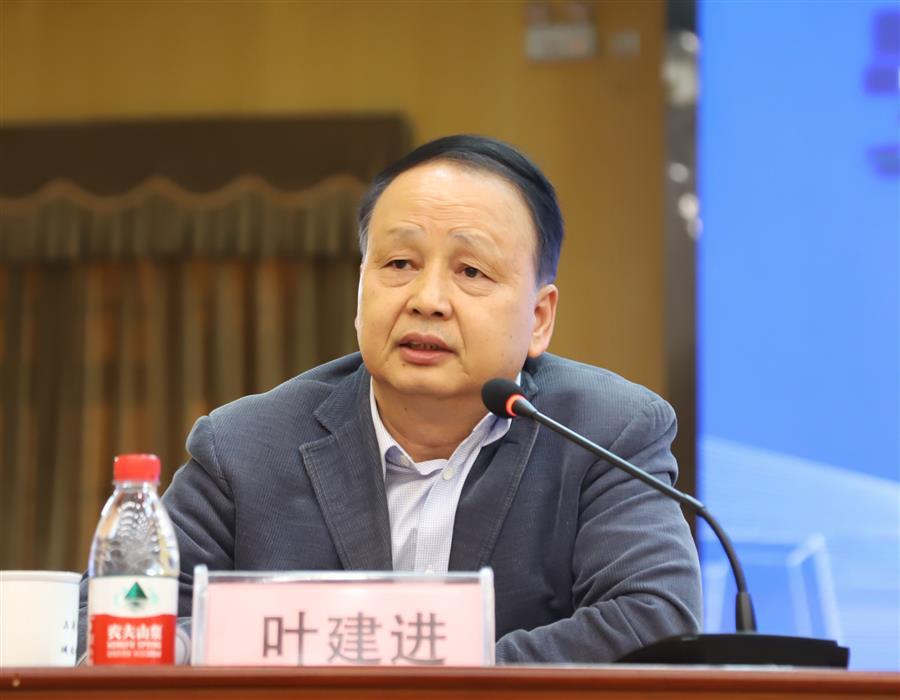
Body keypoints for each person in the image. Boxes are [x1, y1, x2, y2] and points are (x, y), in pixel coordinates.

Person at [79, 135, 701, 663]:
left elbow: (655, 619)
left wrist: (428, 676)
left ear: (539, 319)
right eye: (400, 263)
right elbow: (106, 624)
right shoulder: (245, 447)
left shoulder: (606, 432)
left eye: (471, 272)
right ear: (360, 290)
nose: (427, 300)